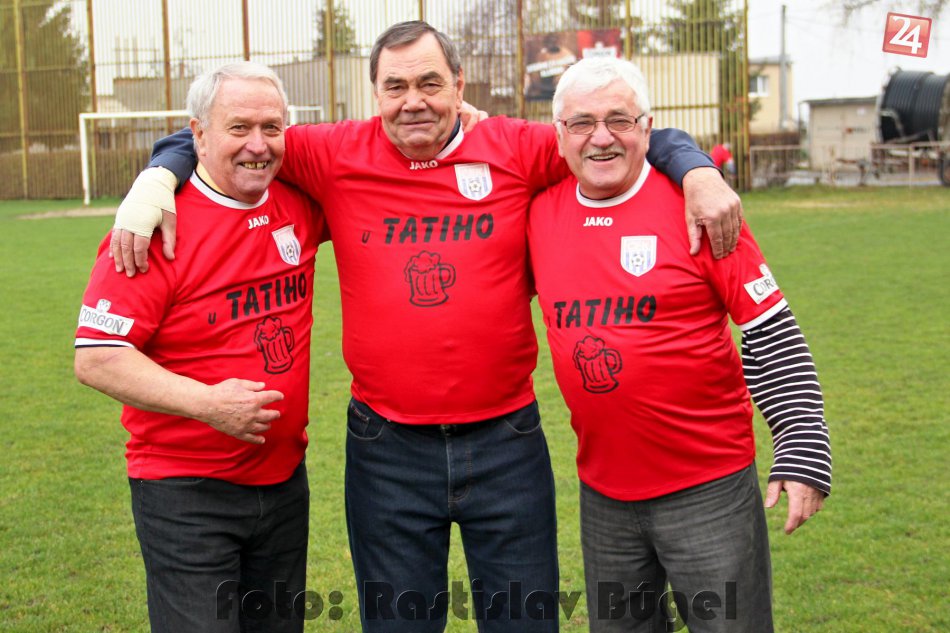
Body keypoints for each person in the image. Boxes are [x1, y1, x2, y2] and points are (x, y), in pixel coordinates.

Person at [107, 21, 744, 633]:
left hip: (506, 441)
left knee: (524, 621)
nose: (413, 101)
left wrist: (694, 167)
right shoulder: (331, 152)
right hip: (386, 447)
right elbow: (231, 135)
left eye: (430, 83)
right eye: (396, 86)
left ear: (459, 86)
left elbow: (611, 130)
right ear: (375, 93)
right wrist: (158, 174)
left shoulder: (515, 147)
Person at [527, 57, 832, 632]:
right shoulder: (539, 213)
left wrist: (802, 446)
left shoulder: (703, 210)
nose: (601, 137)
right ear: (558, 134)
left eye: (619, 120)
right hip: (603, 494)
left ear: (648, 128)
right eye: (582, 122)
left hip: (708, 491)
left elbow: (769, 328)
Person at [74, 62, 324, 633]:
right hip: (185, 492)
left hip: (284, 483)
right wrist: (207, 404)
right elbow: (97, 357)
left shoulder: (300, 202)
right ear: (199, 135)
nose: (258, 145)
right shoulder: (151, 229)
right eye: (238, 128)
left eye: (271, 127)